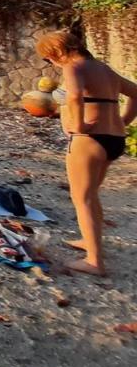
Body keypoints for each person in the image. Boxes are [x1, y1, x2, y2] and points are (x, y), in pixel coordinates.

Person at [37, 30, 137, 276]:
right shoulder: (103, 69)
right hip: (113, 138)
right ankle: (90, 242)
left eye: (48, 58)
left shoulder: (73, 68)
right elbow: (136, 92)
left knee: (82, 198)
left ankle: (94, 261)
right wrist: (124, 120)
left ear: (57, 52)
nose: (50, 63)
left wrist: (79, 126)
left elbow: (73, 97)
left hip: (88, 140)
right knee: (91, 195)